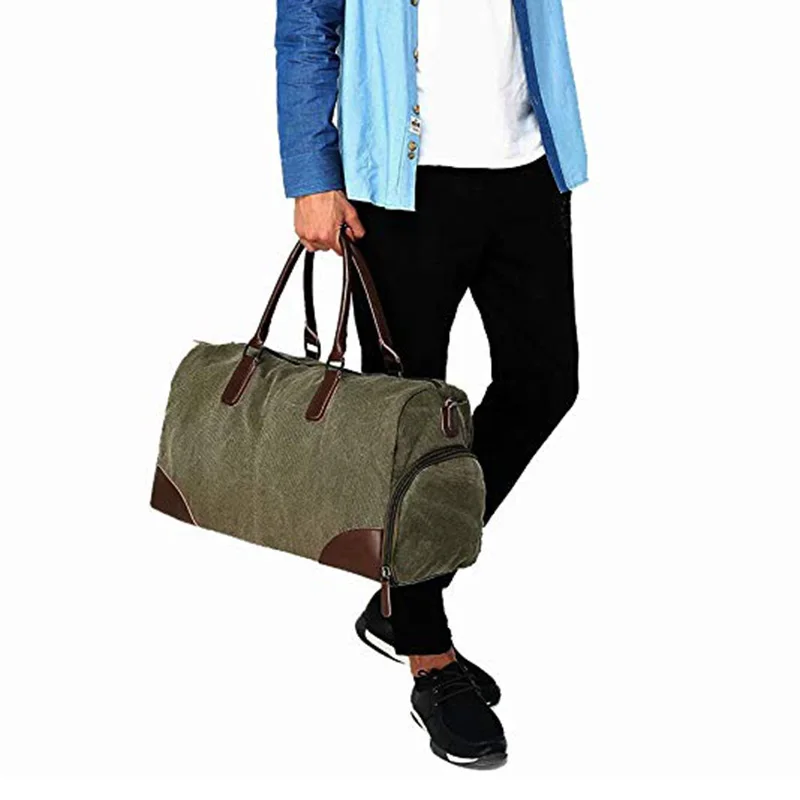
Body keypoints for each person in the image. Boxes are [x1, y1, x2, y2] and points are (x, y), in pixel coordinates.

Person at [275, 0, 587, 769]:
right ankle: (427, 652)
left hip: (527, 164)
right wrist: (312, 172)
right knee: (408, 420)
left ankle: (402, 594)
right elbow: (306, 24)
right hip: (401, 179)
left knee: (545, 381)